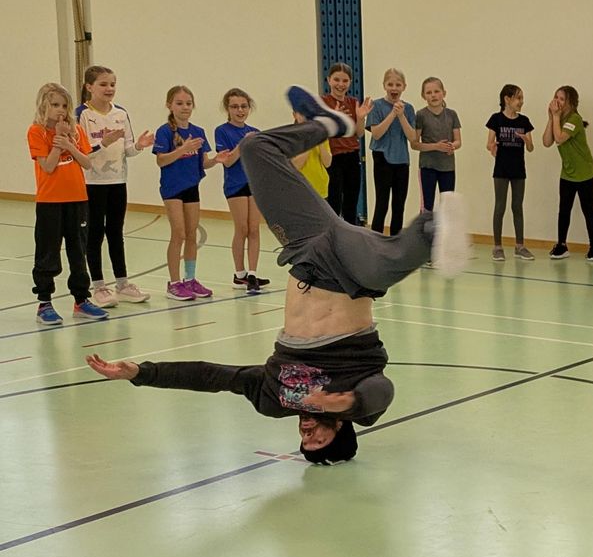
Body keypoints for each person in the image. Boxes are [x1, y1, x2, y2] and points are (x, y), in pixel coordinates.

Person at [86, 86, 469, 464]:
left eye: (304, 442)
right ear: (340, 431)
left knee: (256, 148)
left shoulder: (276, 399)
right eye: (319, 440)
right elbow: (381, 391)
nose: (307, 434)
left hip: (305, 248)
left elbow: (216, 377)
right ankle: (434, 229)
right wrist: (348, 402)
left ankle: (328, 124)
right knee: (388, 261)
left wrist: (141, 373)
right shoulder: (357, 404)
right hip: (349, 275)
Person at [28, 83, 108, 325]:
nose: (60, 110)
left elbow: (87, 162)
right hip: (50, 201)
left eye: (64, 105)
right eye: (55, 105)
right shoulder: (36, 131)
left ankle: (81, 300)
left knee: (78, 251)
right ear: (44, 105)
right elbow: (48, 166)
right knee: (48, 252)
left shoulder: (77, 131)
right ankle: (44, 302)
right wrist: (58, 141)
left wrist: (69, 142)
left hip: (78, 199)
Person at [76, 65, 154, 307]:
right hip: (92, 183)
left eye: (112, 84)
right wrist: (103, 142)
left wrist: (139, 145)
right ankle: (98, 286)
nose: (109, 88)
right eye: (103, 84)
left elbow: (128, 150)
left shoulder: (120, 113)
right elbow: (81, 152)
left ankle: (122, 284)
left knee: (116, 232)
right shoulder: (82, 114)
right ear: (89, 87)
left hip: (118, 181)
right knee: (95, 233)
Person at [153, 85, 231, 301]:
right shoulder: (165, 131)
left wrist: (216, 160)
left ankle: (190, 279)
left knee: (191, 234)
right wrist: (181, 149)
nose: (185, 107)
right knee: (178, 233)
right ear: (170, 105)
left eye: (188, 103)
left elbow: (203, 163)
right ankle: (174, 283)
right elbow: (161, 160)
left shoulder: (198, 132)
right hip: (172, 188)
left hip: (191, 186)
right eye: (179, 103)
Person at [215, 88, 269, 294]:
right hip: (235, 185)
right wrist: (243, 143)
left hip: (254, 184)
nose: (240, 110)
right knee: (242, 228)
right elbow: (228, 161)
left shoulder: (255, 131)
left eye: (244, 106)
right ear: (227, 109)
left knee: (254, 228)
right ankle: (239, 274)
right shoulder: (222, 131)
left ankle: (252, 273)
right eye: (235, 107)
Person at [543, 85, 593, 261]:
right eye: (556, 97)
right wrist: (551, 118)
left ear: (571, 103)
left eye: (561, 99)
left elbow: (559, 138)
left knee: (588, 208)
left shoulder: (574, 119)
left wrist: (556, 117)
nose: (557, 101)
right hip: (567, 172)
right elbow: (547, 141)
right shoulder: (558, 119)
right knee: (564, 209)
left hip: (584, 172)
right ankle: (561, 245)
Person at [486, 84, 535, 262]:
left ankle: (519, 246)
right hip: (501, 169)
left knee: (517, 206)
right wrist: (492, 147)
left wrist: (526, 141)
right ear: (507, 99)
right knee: (500, 206)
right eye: (518, 98)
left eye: (522, 98)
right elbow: (489, 144)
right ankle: (497, 247)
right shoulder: (496, 119)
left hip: (518, 170)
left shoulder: (524, 121)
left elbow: (531, 148)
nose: (521, 102)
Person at [365, 68, 416, 235]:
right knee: (382, 202)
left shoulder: (408, 109)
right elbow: (376, 133)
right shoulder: (376, 106)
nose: (394, 88)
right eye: (390, 84)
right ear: (384, 85)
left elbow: (412, 137)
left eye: (398, 85)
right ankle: (375, 240)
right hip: (382, 158)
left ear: (404, 87)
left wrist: (401, 115)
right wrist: (393, 114)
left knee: (399, 204)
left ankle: (396, 240)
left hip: (402, 160)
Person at [322, 63, 366, 224]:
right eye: (336, 80)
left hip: (352, 156)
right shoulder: (323, 102)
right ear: (329, 80)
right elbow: (320, 131)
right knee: (334, 202)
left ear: (350, 82)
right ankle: (333, 235)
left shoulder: (353, 102)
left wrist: (360, 118)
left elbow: (359, 133)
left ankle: (351, 235)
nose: (340, 84)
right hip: (333, 158)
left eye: (345, 81)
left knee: (351, 203)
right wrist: (334, 117)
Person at [413, 77, 461, 212]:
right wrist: (435, 146)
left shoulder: (452, 114)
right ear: (423, 96)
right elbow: (414, 144)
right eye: (429, 92)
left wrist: (452, 146)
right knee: (427, 206)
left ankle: (443, 227)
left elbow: (458, 141)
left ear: (443, 93)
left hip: (448, 167)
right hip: (428, 166)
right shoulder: (421, 115)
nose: (433, 95)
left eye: (436, 91)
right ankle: (425, 227)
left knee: (447, 206)